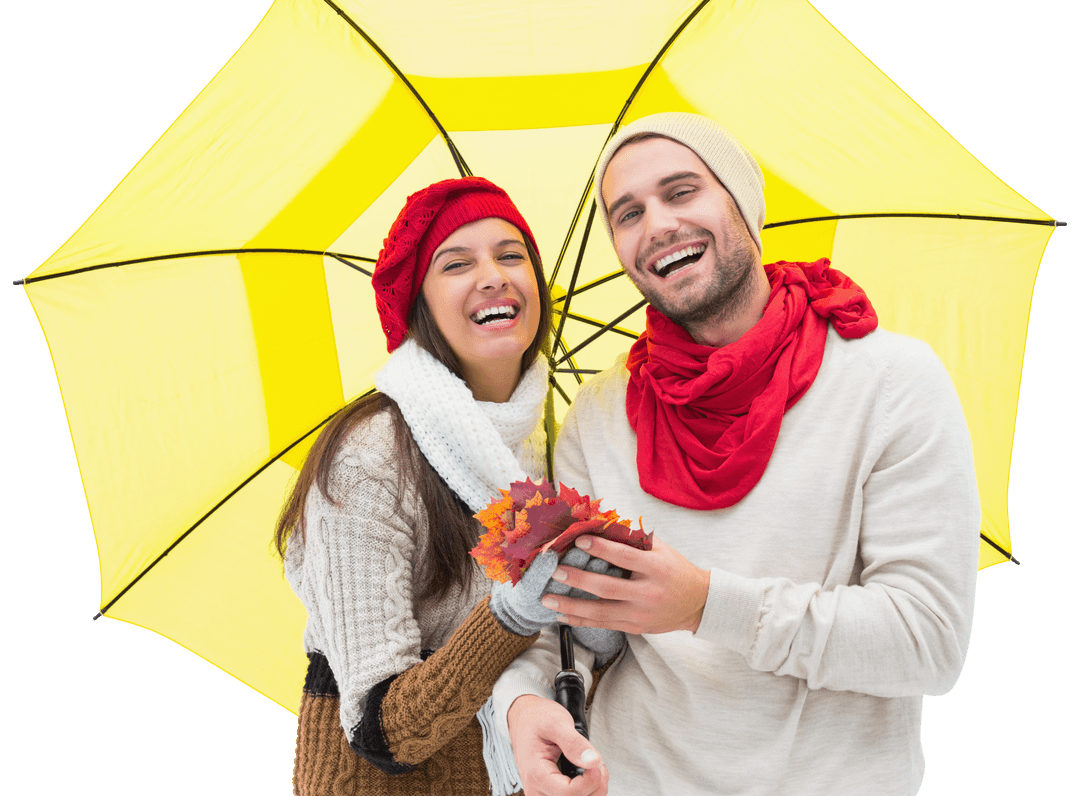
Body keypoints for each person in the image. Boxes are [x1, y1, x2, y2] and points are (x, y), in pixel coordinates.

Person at [490, 113, 980, 796]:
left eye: (682, 191)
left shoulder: (891, 382)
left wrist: (704, 605)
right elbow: (557, 620)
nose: (656, 224)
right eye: (627, 213)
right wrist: (521, 704)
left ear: (743, 202)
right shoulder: (595, 419)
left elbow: (927, 643)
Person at [274, 177, 590, 795]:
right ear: (420, 306)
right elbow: (380, 730)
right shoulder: (369, 460)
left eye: (510, 254)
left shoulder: (551, 442)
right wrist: (514, 610)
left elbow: (555, 647)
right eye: (457, 263)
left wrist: (594, 615)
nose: (494, 275)